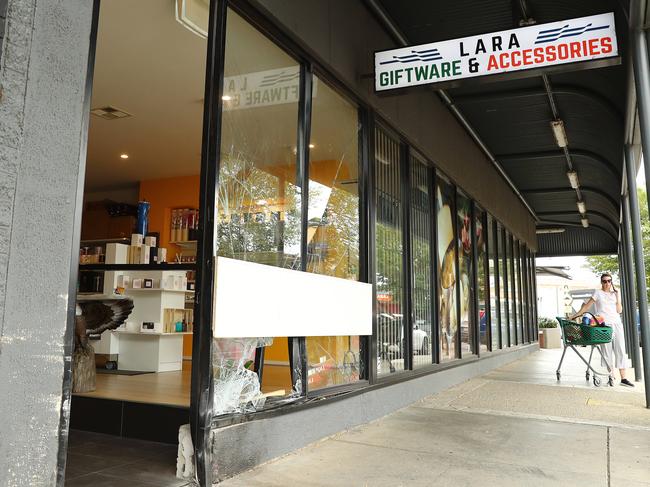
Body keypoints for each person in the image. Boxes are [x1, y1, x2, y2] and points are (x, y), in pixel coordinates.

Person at [569, 273, 634, 387]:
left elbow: (619, 310)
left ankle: (623, 378)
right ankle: (611, 376)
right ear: (601, 282)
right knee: (607, 351)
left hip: (617, 323)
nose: (607, 283)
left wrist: (618, 296)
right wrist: (575, 315)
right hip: (604, 325)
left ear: (611, 282)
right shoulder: (597, 293)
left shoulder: (615, 294)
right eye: (604, 281)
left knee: (620, 349)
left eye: (609, 281)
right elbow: (586, 306)